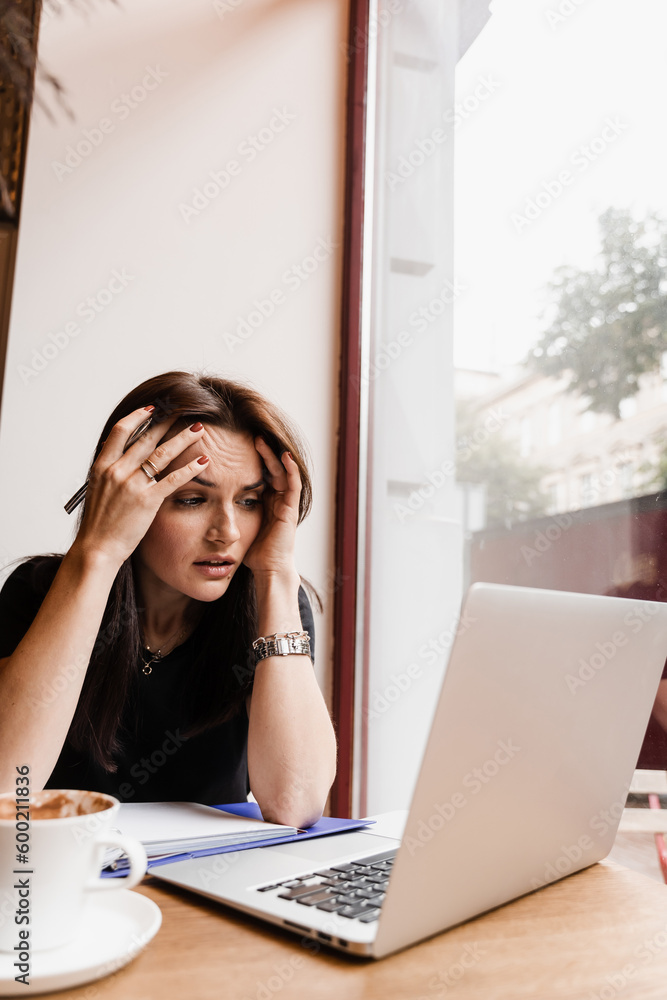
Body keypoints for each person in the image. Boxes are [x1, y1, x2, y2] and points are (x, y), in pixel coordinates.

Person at [0, 371, 337, 828]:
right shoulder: (37, 591)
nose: (228, 533)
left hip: (206, 886)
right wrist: (97, 555)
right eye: (193, 500)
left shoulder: (274, 608)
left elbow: (296, 805)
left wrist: (277, 575)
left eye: (250, 501)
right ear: (126, 496)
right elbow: (7, 786)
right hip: (62, 879)